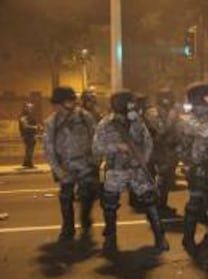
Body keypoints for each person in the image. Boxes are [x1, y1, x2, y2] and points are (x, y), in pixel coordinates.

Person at [93, 91, 169, 256]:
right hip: (116, 171)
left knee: (150, 201)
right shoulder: (105, 124)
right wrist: (116, 147)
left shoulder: (137, 122)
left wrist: (143, 159)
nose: (133, 107)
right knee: (110, 205)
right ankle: (110, 239)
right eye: (129, 104)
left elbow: (148, 142)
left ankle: (160, 237)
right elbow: (96, 148)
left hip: (137, 170)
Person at [174, 83, 208, 259]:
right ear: (199, 98)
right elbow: (206, 132)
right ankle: (188, 240)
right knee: (195, 206)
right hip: (198, 168)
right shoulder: (187, 119)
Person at [43, 86, 99, 242]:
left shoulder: (84, 117)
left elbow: (96, 139)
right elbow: (48, 148)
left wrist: (95, 161)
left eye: (70, 101)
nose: (68, 105)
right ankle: (68, 227)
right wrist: (57, 169)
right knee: (66, 197)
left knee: (87, 195)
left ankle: (85, 218)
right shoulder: (51, 122)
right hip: (65, 166)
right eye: (62, 103)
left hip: (85, 164)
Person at [18, 102, 41, 168]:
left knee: (29, 149)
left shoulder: (28, 116)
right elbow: (25, 126)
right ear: (25, 108)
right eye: (29, 107)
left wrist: (37, 129)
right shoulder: (23, 116)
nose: (31, 109)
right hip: (28, 135)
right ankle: (30, 163)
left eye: (31, 107)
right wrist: (35, 127)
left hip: (31, 135)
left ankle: (25, 163)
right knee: (30, 150)